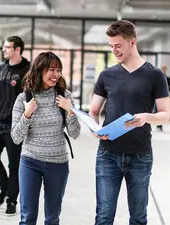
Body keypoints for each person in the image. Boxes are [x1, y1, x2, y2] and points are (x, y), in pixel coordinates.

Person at [89, 20, 170, 225]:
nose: (114, 51)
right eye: (111, 46)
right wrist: (95, 129)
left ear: (132, 42)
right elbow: (93, 111)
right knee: (104, 216)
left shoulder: (155, 75)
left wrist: (146, 117)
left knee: (138, 217)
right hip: (108, 153)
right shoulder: (107, 75)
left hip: (140, 156)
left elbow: (166, 114)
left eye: (118, 45)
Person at [11, 52, 81, 225]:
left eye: (58, 70)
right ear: (39, 70)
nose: (56, 74)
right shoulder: (24, 99)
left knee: (52, 219)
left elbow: (75, 133)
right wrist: (27, 114)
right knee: (27, 218)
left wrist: (69, 110)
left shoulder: (65, 96)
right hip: (30, 162)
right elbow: (15, 138)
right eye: (51, 70)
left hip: (58, 163)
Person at [0, 36, 30, 216]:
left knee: (14, 165)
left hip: (14, 124)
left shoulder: (28, 70)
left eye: (7, 47)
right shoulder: (0, 69)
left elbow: (30, 98)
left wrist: (26, 123)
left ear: (17, 49)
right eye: (3, 47)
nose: (4, 50)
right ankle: (4, 187)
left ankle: (11, 200)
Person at [157, 65, 170, 131]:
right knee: (159, 110)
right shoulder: (157, 76)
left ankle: (160, 125)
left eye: (165, 68)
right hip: (158, 95)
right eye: (163, 68)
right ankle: (159, 124)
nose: (164, 69)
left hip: (165, 94)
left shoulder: (167, 77)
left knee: (164, 110)